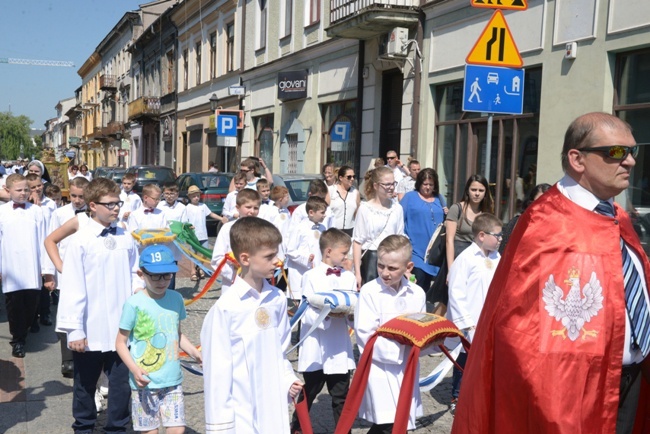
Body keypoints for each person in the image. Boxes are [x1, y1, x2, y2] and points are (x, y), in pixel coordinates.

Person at [452, 113, 650, 433]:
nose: (629, 161)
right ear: (578, 159)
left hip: (631, 379)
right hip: (573, 392)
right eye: (616, 152)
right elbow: (516, 328)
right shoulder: (546, 222)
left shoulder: (618, 216)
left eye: (633, 151)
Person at [56, 178, 143, 433]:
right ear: (92, 206)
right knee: (85, 384)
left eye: (118, 203)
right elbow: (72, 286)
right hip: (90, 327)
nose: (116, 208)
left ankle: (117, 427)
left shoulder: (126, 236)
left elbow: (134, 272)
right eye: (110, 204)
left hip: (121, 328)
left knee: (120, 384)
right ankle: (83, 427)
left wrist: (138, 293)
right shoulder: (80, 240)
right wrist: (74, 330)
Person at [201, 217, 303, 433]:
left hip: (273, 407)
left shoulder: (276, 299)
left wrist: (288, 379)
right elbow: (216, 374)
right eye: (269, 256)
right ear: (245, 258)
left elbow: (280, 351)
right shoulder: (225, 309)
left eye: (277, 253)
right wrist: (221, 426)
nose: (278, 261)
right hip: (241, 412)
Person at [116, 244, 202, 434]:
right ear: (141, 274)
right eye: (155, 275)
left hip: (172, 380)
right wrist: (134, 369)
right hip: (145, 381)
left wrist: (196, 353)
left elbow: (176, 334)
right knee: (150, 431)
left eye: (167, 275)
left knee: (177, 429)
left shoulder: (176, 298)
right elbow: (120, 342)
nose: (161, 281)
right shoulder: (133, 304)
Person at [354, 235, 427, 433]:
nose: (385, 273)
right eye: (381, 265)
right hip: (380, 367)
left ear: (408, 267)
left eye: (392, 268)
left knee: (399, 422)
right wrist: (399, 349)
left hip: (407, 367)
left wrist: (426, 342)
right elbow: (364, 333)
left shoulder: (417, 293)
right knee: (388, 422)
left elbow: (421, 328)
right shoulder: (370, 291)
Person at [290, 228, 357, 433]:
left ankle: (343, 430)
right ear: (328, 251)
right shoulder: (310, 276)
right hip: (316, 345)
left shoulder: (349, 277)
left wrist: (351, 316)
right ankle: (297, 428)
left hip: (338, 345)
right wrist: (327, 315)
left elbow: (353, 305)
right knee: (308, 392)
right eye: (344, 253)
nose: (347, 257)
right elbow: (306, 312)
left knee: (341, 395)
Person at [446, 213, 502, 415]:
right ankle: (457, 396)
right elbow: (456, 292)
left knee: (486, 359)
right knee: (465, 359)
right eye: (496, 235)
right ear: (481, 235)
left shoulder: (496, 257)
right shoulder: (466, 259)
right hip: (469, 320)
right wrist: (466, 323)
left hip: (488, 319)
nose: (500, 239)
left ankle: (481, 395)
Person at [0, 174, 54, 358]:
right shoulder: (2, 212)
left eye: (26, 189)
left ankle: (27, 326)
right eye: (19, 190)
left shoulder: (37, 211)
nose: (23, 193)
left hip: (32, 267)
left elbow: (44, 241)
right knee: (14, 305)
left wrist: (47, 270)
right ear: (8, 191)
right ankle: (18, 340)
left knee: (32, 304)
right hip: (11, 267)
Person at [45, 176, 90, 377]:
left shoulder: (93, 214)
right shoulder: (60, 213)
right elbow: (50, 241)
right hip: (66, 271)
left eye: (81, 196)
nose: (77, 200)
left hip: (88, 272)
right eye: (73, 196)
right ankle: (68, 359)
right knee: (67, 314)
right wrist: (52, 272)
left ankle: (88, 353)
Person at [432, 174, 494, 315]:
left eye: (480, 190)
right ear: (467, 191)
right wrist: (451, 269)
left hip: (476, 259)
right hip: (456, 256)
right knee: (445, 301)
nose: (477, 193)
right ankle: (429, 332)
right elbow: (449, 240)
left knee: (469, 299)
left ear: (485, 193)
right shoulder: (457, 208)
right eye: (473, 190)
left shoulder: (486, 212)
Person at [352, 167, 405, 288]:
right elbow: (357, 241)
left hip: (392, 259)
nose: (391, 187)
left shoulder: (397, 208)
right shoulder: (365, 209)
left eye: (393, 183)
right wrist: (357, 273)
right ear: (376, 186)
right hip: (372, 259)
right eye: (387, 184)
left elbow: (400, 238)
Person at [400, 168, 448, 293]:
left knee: (427, 285)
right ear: (419, 184)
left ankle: (423, 309)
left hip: (434, 251)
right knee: (418, 280)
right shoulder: (410, 197)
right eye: (425, 184)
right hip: (415, 249)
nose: (427, 187)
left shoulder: (440, 199)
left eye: (431, 185)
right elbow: (399, 219)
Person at [210, 188, 261, 293]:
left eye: (256, 208)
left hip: (256, 282)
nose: (252, 211)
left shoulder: (262, 229)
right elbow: (217, 259)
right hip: (232, 284)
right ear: (237, 207)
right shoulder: (227, 229)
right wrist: (236, 274)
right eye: (248, 207)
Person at [285, 196, 328, 301]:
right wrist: (305, 258)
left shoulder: (323, 228)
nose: (325, 215)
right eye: (322, 213)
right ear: (311, 212)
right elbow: (290, 251)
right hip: (301, 270)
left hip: (317, 269)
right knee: (302, 299)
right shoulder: (300, 228)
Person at [498, 183, 551, 254]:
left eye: (546, 202)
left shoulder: (559, 227)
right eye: (538, 201)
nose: (542, 205)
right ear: (530, 202)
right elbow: (503, 251)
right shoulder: (517, 222)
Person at [185, 185, 221, 281]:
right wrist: (187, 227)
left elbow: (211, 214)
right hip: (193, 235)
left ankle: (200, 267)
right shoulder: (187, 207)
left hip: (203, 234)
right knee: (193, 253)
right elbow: (184, 221)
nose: (196, 198)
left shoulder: (203, 206)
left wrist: (221, 218)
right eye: (193, 196)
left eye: (197, 196)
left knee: (204, 252)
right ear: (189, 197)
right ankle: (193, 270)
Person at [329, 165, 360, 237]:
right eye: (349, 177)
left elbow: (357, 214)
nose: (352, 179)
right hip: (333, 231)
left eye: (353, 177)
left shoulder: (355, 192)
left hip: (350, 231)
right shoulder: (331, 190)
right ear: (341, 178)